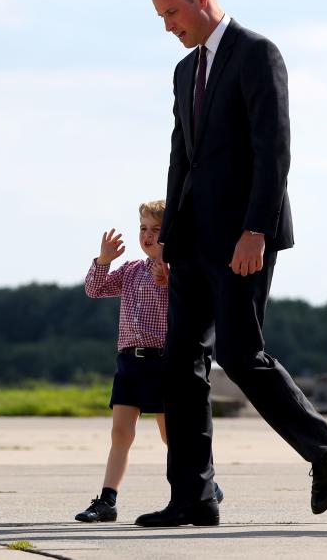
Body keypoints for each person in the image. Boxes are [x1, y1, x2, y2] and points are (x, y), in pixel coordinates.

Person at [135, 0, 327, 528]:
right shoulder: (184, 72)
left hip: (242, 237)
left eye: (172, 13)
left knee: (238, 351)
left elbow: (273, 145)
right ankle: (194, 497)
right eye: (161, 17)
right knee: (179, 364)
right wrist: (167, 239)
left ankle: (324, 445)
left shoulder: (257, 53)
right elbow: (182, 156)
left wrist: (257, 228)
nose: (168, 27)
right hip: (190, 239)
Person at [74, 200, 223, 523]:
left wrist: (169, 282)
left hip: (162, 362)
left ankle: (204, 485)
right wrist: (103, 260)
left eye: (157, 229)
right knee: (121, 433)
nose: (148, 235)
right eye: (143, 228)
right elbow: (94, 289)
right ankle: (107, 500)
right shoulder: (129, 270)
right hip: (129, 362)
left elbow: (196, 309)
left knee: (172, 435)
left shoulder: (182, 272)